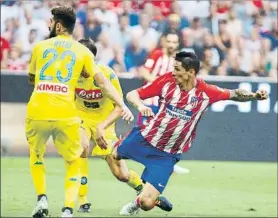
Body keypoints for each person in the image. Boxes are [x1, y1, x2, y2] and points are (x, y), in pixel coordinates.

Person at [112, 51, 268, 215]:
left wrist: (254, 96)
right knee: (114, 155)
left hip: (167, 154)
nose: (173, 72)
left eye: (177, 69)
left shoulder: (206, 92)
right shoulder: (166, 81)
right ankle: (139, 182)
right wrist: (141, 106)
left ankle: (141, 200)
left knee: (146, 203)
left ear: (191, 72)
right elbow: (132, 94)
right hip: (145, 138)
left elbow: (235, 94)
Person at [26, 6, 133, 218]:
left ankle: (42, 200)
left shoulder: (39, 47)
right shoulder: (83, 52)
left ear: (57, 25)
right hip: (66, 113)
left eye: (50, 21)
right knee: (75, 160)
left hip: (37, 108)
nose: (48, 24)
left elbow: (32, 79)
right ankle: (67, 209)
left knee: (36, 154)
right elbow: (102, 83)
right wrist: (122, 104)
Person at [75, 38, 172, 213]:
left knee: (121, 175)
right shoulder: (70, 73)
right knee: (81, 148)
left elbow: (120, 107)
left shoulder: (105, 74)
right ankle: (83, 200)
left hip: (104, 122)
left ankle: (143, 192)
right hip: (80, 117)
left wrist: (101, 127)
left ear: (91, 59)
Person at [138, 32, 188, 174]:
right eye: (169, 41)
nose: (171, 45)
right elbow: (144, 72)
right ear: (164, 42)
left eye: (174, 42)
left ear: (178, 44)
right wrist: (159, 84)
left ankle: (167, 164)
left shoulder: (179, 61)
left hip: (167, 105)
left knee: (167, 136)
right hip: (150, 103)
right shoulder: (156, 55)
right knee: (145, 135)